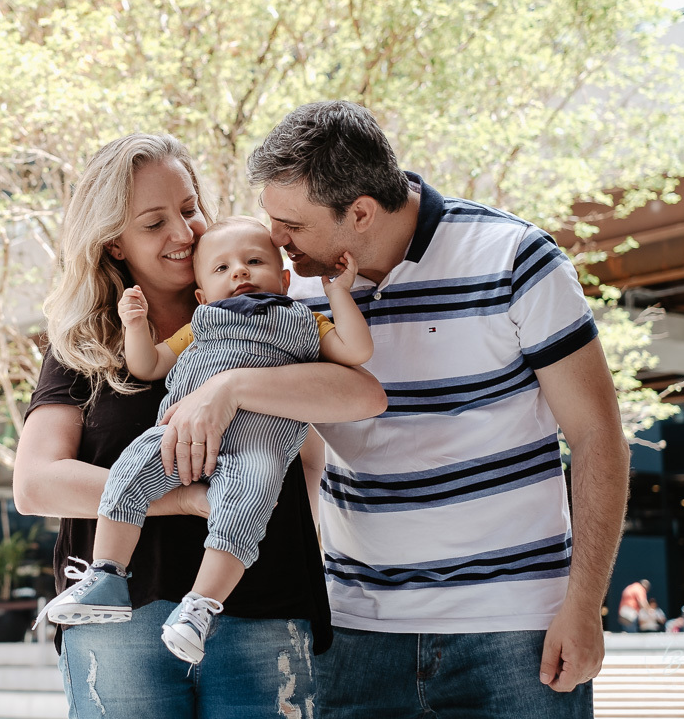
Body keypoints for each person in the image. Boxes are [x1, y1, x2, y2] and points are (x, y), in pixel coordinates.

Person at [249, 101, 631, 718]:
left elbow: (596, 435)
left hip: (515, 631)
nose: (275, 239)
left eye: (290, 223)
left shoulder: (515, 258)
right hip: (356, 632)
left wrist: (584, 603)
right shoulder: (290, 287)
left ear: (361, 213)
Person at [13, 133, 386, 718]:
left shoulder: (269, 307)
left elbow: (360, 394)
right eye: (154, 223)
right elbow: (36, 484)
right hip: (121, 620)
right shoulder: (86, 344)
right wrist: (186, 501)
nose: (183, 234)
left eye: (189, 209)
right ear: (114, 243)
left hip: (265, 605)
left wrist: (229, 389)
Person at [37, 216, 373, 664]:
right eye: (222, 269)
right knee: (130, 470)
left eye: (254, 261)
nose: (240, 272)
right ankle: (107, 575)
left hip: (256, 449)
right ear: (201, 295)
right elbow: (149, 365)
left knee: (246, 504)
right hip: (178, 440)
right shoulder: (203, 322)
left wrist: (337, 294)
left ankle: (201, 605)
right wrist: (134, 325)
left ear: (285, 278)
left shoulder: (305, 322)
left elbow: (356, 353)